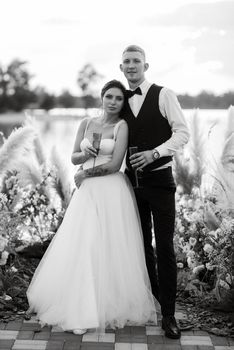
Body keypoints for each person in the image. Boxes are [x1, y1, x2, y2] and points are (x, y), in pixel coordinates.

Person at [26, 80, 157, 335]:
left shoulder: (122, 126)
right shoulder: (86, 123)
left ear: (123, 103)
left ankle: (108, 303)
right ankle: (80, 304)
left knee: (108, 245)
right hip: (87, 194)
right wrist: (85, 154)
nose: (113, 102)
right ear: (102, 97)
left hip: (110, 190)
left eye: (119, 99)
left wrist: (86, 174)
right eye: (109, 96)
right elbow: (73, 156)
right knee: (83, 243)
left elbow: (116, 163)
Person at [120, 45, 190, 339]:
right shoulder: (118, 100)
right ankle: (154, 301)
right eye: (127, 62)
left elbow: (183, 133)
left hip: (161, 182)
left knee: (164, 247)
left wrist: (155, 153)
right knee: (140, 247)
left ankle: (170, 316)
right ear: (120, 68)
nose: (132, 65)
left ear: (146, 66)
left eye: (137, 61)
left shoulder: (164, 94)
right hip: (130, 185)